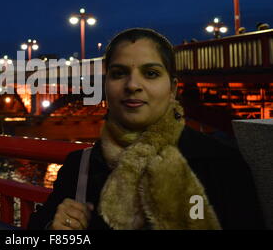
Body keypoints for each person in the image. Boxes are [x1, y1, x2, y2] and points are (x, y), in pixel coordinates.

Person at [27, 28, 265, 230]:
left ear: (172, 89)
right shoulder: (79, 167)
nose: (132, 85)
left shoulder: (221, 164)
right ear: (105, 85)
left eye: (150, 74)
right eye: (119, 74)